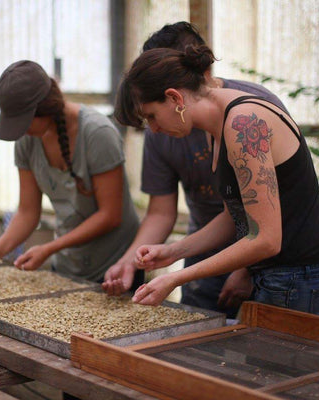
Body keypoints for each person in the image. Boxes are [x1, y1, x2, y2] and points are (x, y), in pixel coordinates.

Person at [112, 45, 319, 318]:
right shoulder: (218, 126)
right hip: (279, 276)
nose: (154, 128)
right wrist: (173, 252)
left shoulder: (242, 123)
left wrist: (176, 278)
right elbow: (234, 216)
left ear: (174, 98)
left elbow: (266, 240)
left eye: (151, 115)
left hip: (303, 277)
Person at [102, 22, 289, 318]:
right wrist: (132, 260)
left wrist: (246, 269)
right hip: (204, 247)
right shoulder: (161, 126)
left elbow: (270, 222)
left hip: (271, 258)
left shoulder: (245, 115)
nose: (153, 127)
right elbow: (164, 212)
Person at [0, 60, 142, 286]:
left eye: (24, 122)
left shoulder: (98, 134)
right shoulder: (27, 141)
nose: (22, 131)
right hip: (67, 266)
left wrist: (50, 247)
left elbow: (110, 215)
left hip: (115, 267)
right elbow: (27, 211)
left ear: (45, 108)